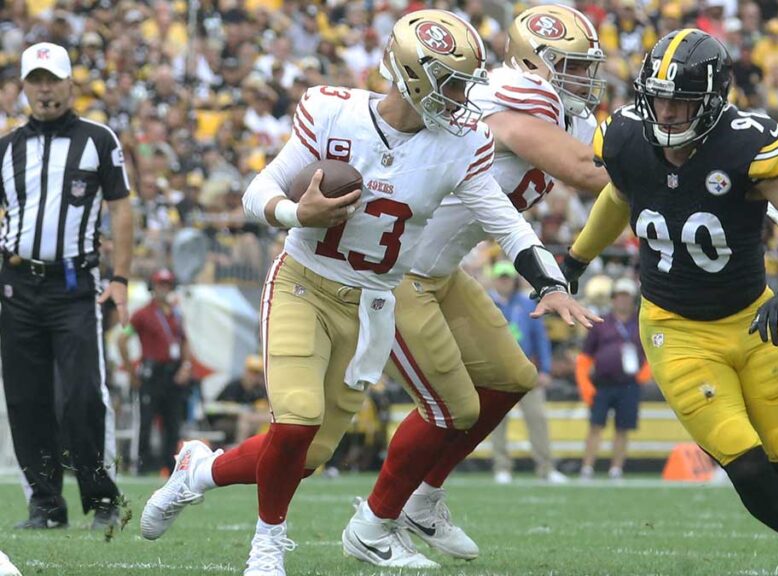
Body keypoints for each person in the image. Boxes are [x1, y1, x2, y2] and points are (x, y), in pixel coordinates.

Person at [139, 10, 594, 575]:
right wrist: (294, 211)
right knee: (298, 419)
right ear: (412, 75)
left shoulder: (459, 145)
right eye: (451, 82)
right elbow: (258, 189)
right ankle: (267, 546)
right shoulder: (332, 110)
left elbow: (505, 221)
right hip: (305, 283)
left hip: (374, 300)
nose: (462, 97)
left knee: (311, 453)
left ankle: (197, 473)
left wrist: (549, 278)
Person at [560, 29, 778, 576]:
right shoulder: (628, 138)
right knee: (744, 461)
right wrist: (574, 262)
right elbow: (619, 194)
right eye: (657, 97)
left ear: (711, 100)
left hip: (751, 322)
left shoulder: (744, 143)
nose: (666, 111)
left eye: (680, 100)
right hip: (674, 329)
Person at [344, 4, 607, 567]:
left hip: (443, 271)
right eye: (572, 66)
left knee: (513, 376)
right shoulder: (511, 100)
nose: (585, 78)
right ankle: (373, 522)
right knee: (448, 407)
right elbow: (591, 173)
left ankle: (423, 498)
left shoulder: (572, 115)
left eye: (588, 66)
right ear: (533, 63)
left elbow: (606, 166)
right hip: (398, 272)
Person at [0, 42, 131, 531]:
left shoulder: (98, 139)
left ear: (70, 84)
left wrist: (120, 277)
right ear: (23, 88)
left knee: (81, 396)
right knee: (25, 399)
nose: (44, 89)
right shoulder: (8, 147)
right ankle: (45, 505)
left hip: (76, 285)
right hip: (16, 284)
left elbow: (121, 208)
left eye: (52, 79)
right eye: (35, 80)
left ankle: (102, 499)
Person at [488, 260, 566, 485]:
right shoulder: (486, 304)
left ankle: (546, 467)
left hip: (526, 369)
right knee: (497, 423)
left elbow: (540, 338)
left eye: (507, 278)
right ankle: (501, 467)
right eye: (501, 278)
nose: (504, 282)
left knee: (538, 419)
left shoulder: (527, 303)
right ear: (495, 280)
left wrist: (546, 369)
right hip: (498, 372)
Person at [118, 269, 191, 474]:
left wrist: (186, 366)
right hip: (152, 373)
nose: (163, 289)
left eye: (167, 285)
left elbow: (184, 341)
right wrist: (132, 373)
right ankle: (141, 464)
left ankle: (169, 466)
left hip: (173, 374)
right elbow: (122, 340)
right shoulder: (142, 314)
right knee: (146, 421)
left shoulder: (176, 314)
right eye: (160, 284)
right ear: (153, 287)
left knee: (173, 423)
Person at [576, 276, 649, 480]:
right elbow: (585, 356)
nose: (623, 301)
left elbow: (651, 351)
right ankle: (587, 467)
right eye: (619, 296)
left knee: (623, 428)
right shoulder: (601, 322)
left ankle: (616, 468)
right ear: (613, 299)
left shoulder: (641, 323)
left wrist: (645, 374)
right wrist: (585, 383)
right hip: (603, 382)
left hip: (629, 384)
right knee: (595, 426)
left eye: (626, 297)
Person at [213, 355, 271, 446]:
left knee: (252, 421)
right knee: (244, 420)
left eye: (257, 373)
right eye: (251, 371)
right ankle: (239, 448)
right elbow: (217, 406)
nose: (254, 376)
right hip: (228, 421)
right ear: (245, 371)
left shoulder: (261, 390)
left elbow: (266, 410)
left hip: (251, 422)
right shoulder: (234, 386)